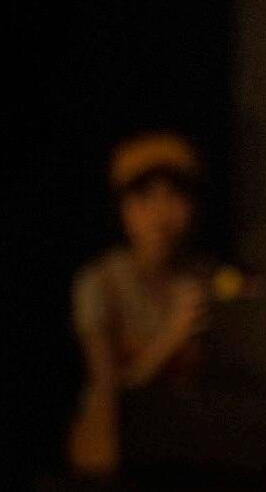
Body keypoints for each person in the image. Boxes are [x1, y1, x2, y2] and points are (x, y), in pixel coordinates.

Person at [69, 132, 213, 478]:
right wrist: (172, 335)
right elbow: (109, 392)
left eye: (174, 196)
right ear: (122, 209)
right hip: (114, 456)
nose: (160, 214)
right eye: (145, 197)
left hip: (191, 450)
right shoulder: (100, 282)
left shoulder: (204, 279)